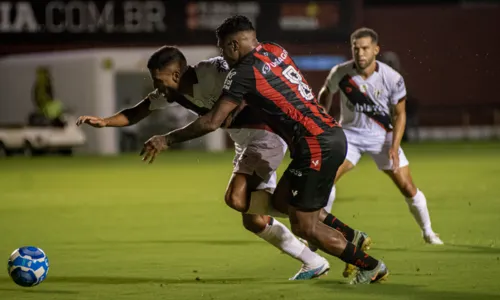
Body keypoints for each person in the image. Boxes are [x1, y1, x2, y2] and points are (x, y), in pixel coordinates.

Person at [76, 46, 370, 280]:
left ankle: (321, 244)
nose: (157, 86)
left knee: (237, 197)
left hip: (265, 134)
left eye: (159, 80)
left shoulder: (213, 69)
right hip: (246, 141)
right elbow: (137, 112)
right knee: (253, 216)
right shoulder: (172, 93)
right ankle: (321, 249)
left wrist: (169, 138)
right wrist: (105, 121)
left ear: (176, 74)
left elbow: (245, 79)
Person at [139, 16, 388, 284]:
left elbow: (213, 121)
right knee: (282, 202)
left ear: (235, 45)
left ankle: (370, 266)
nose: (223, 56)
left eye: (223, 49)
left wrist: (167, 140)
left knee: (305, 227)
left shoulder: (242, 72)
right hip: (325, 136)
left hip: (316, 144)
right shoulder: (274, 49)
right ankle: (352, 237)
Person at [317, 27, 443, 245]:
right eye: (356, 49)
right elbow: (326, 92)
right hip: (350, 136)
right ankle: (319, 235)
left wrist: (394, 146)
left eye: (365, 48)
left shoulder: (392, 78)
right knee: (326, 180)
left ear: (376, 49)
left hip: (382, 138)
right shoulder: (341, 72)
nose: (360, 53)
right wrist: (322, 122)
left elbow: (400, 114)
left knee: (407, 187)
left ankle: (428, 232)